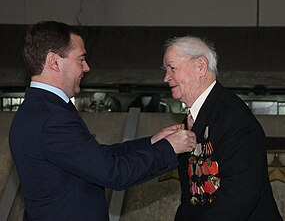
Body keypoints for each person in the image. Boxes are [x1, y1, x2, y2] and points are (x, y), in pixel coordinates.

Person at [8, 21, 196, 221]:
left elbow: (97, 157)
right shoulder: (52, 118)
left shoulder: (37, 110)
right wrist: (169, 148)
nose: (86, 68)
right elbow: (114, 173)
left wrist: (153, 143)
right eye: (80, 59)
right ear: (54, 61)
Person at [161, 36, 282, 221]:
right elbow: (192, 195)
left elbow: (241, 193)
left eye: (172, 68)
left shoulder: (233, 117)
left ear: (200, 66)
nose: (166, 77)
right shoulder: (195, 117)